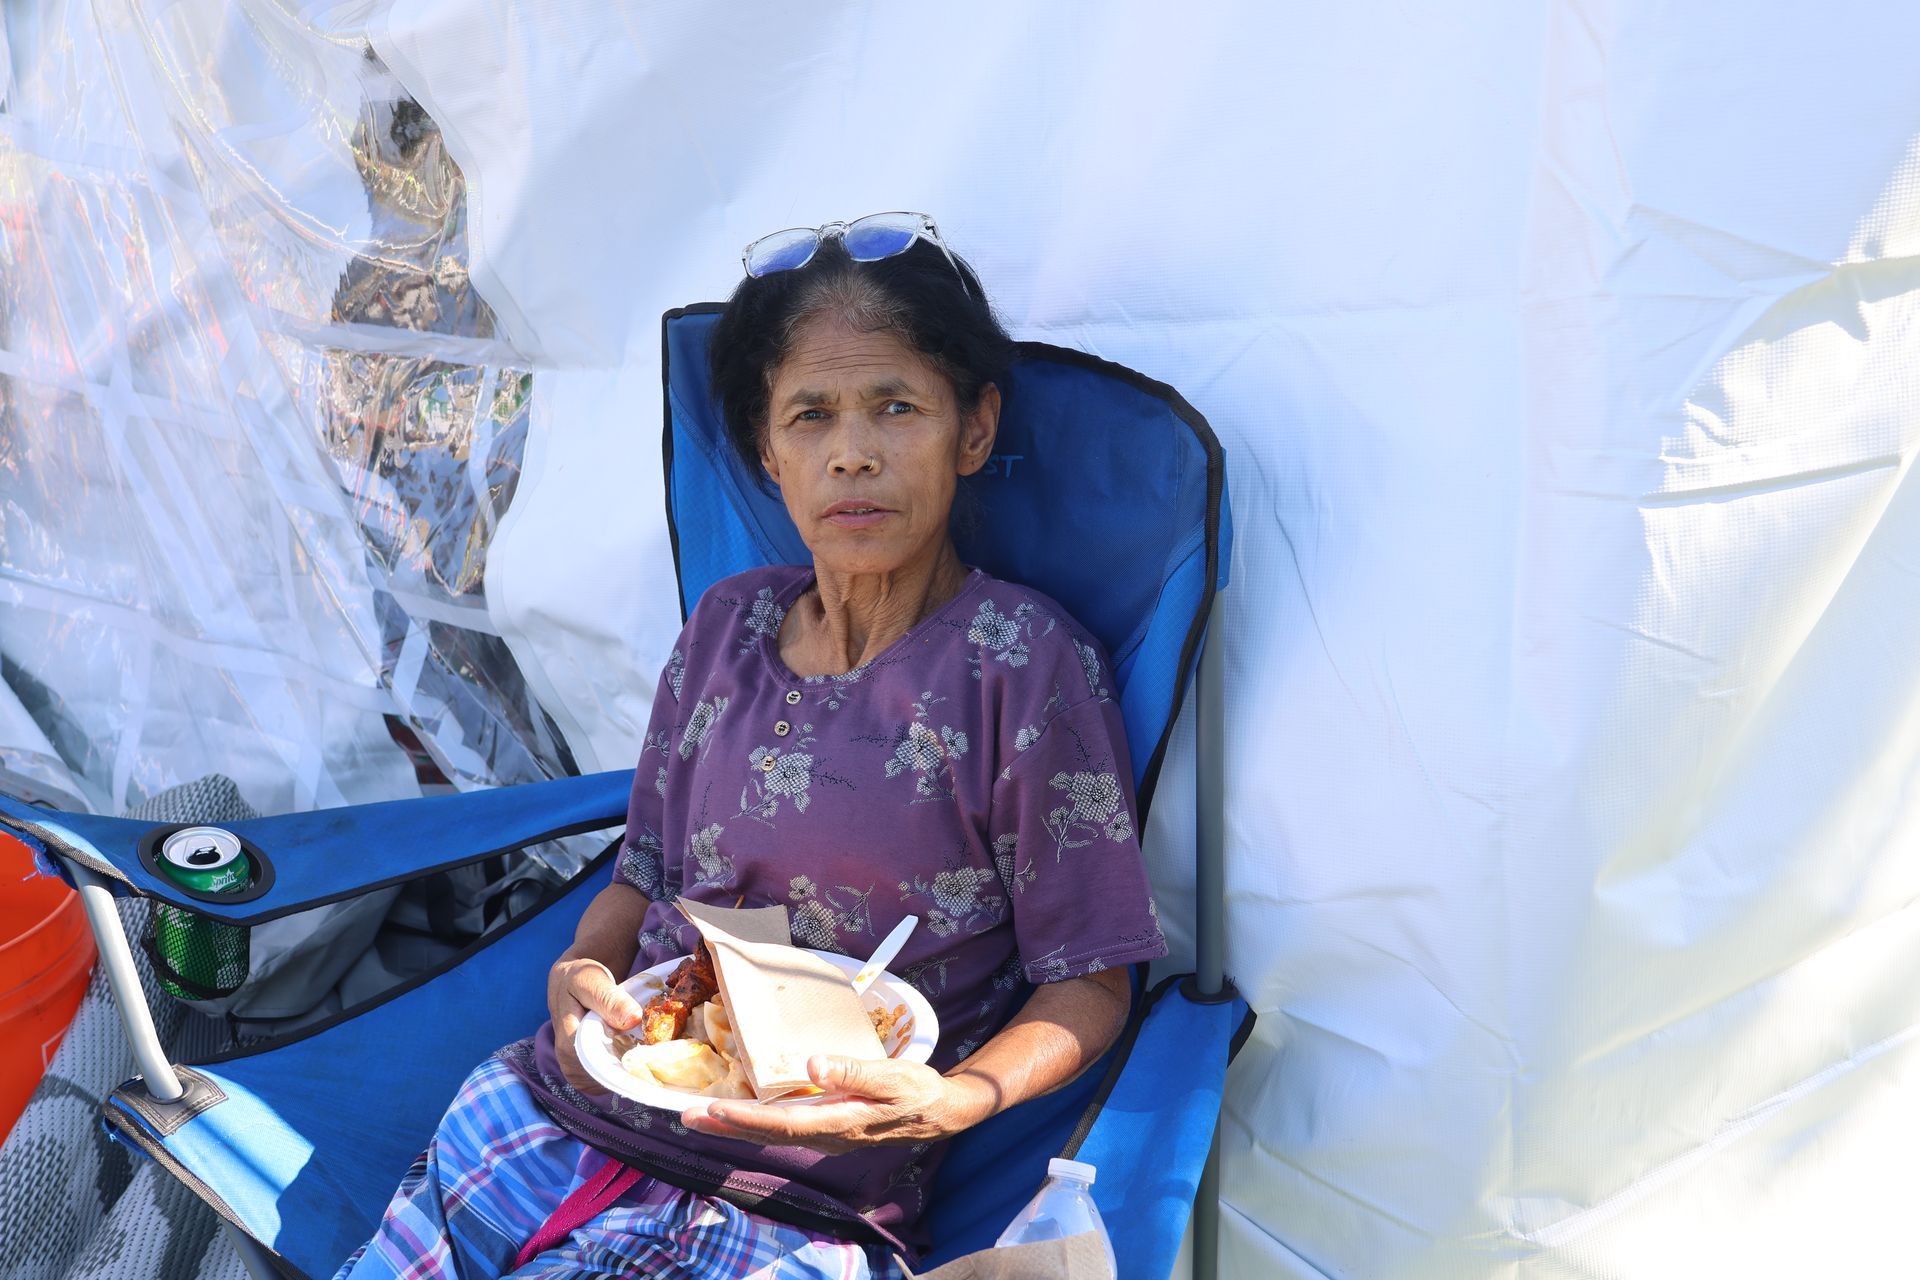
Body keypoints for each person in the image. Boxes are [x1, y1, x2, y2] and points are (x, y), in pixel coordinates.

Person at [337, 213, 1167, 1279]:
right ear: (768, 452)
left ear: (973, 429)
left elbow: (1091, 978)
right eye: (810, 414)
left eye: (895, 407)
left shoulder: (1025, 669)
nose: (852, 450)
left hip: (793, 1201)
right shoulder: (727, 626)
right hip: (555, 1118)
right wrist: (585, 967)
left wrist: (956, 1097)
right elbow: (640, 877)